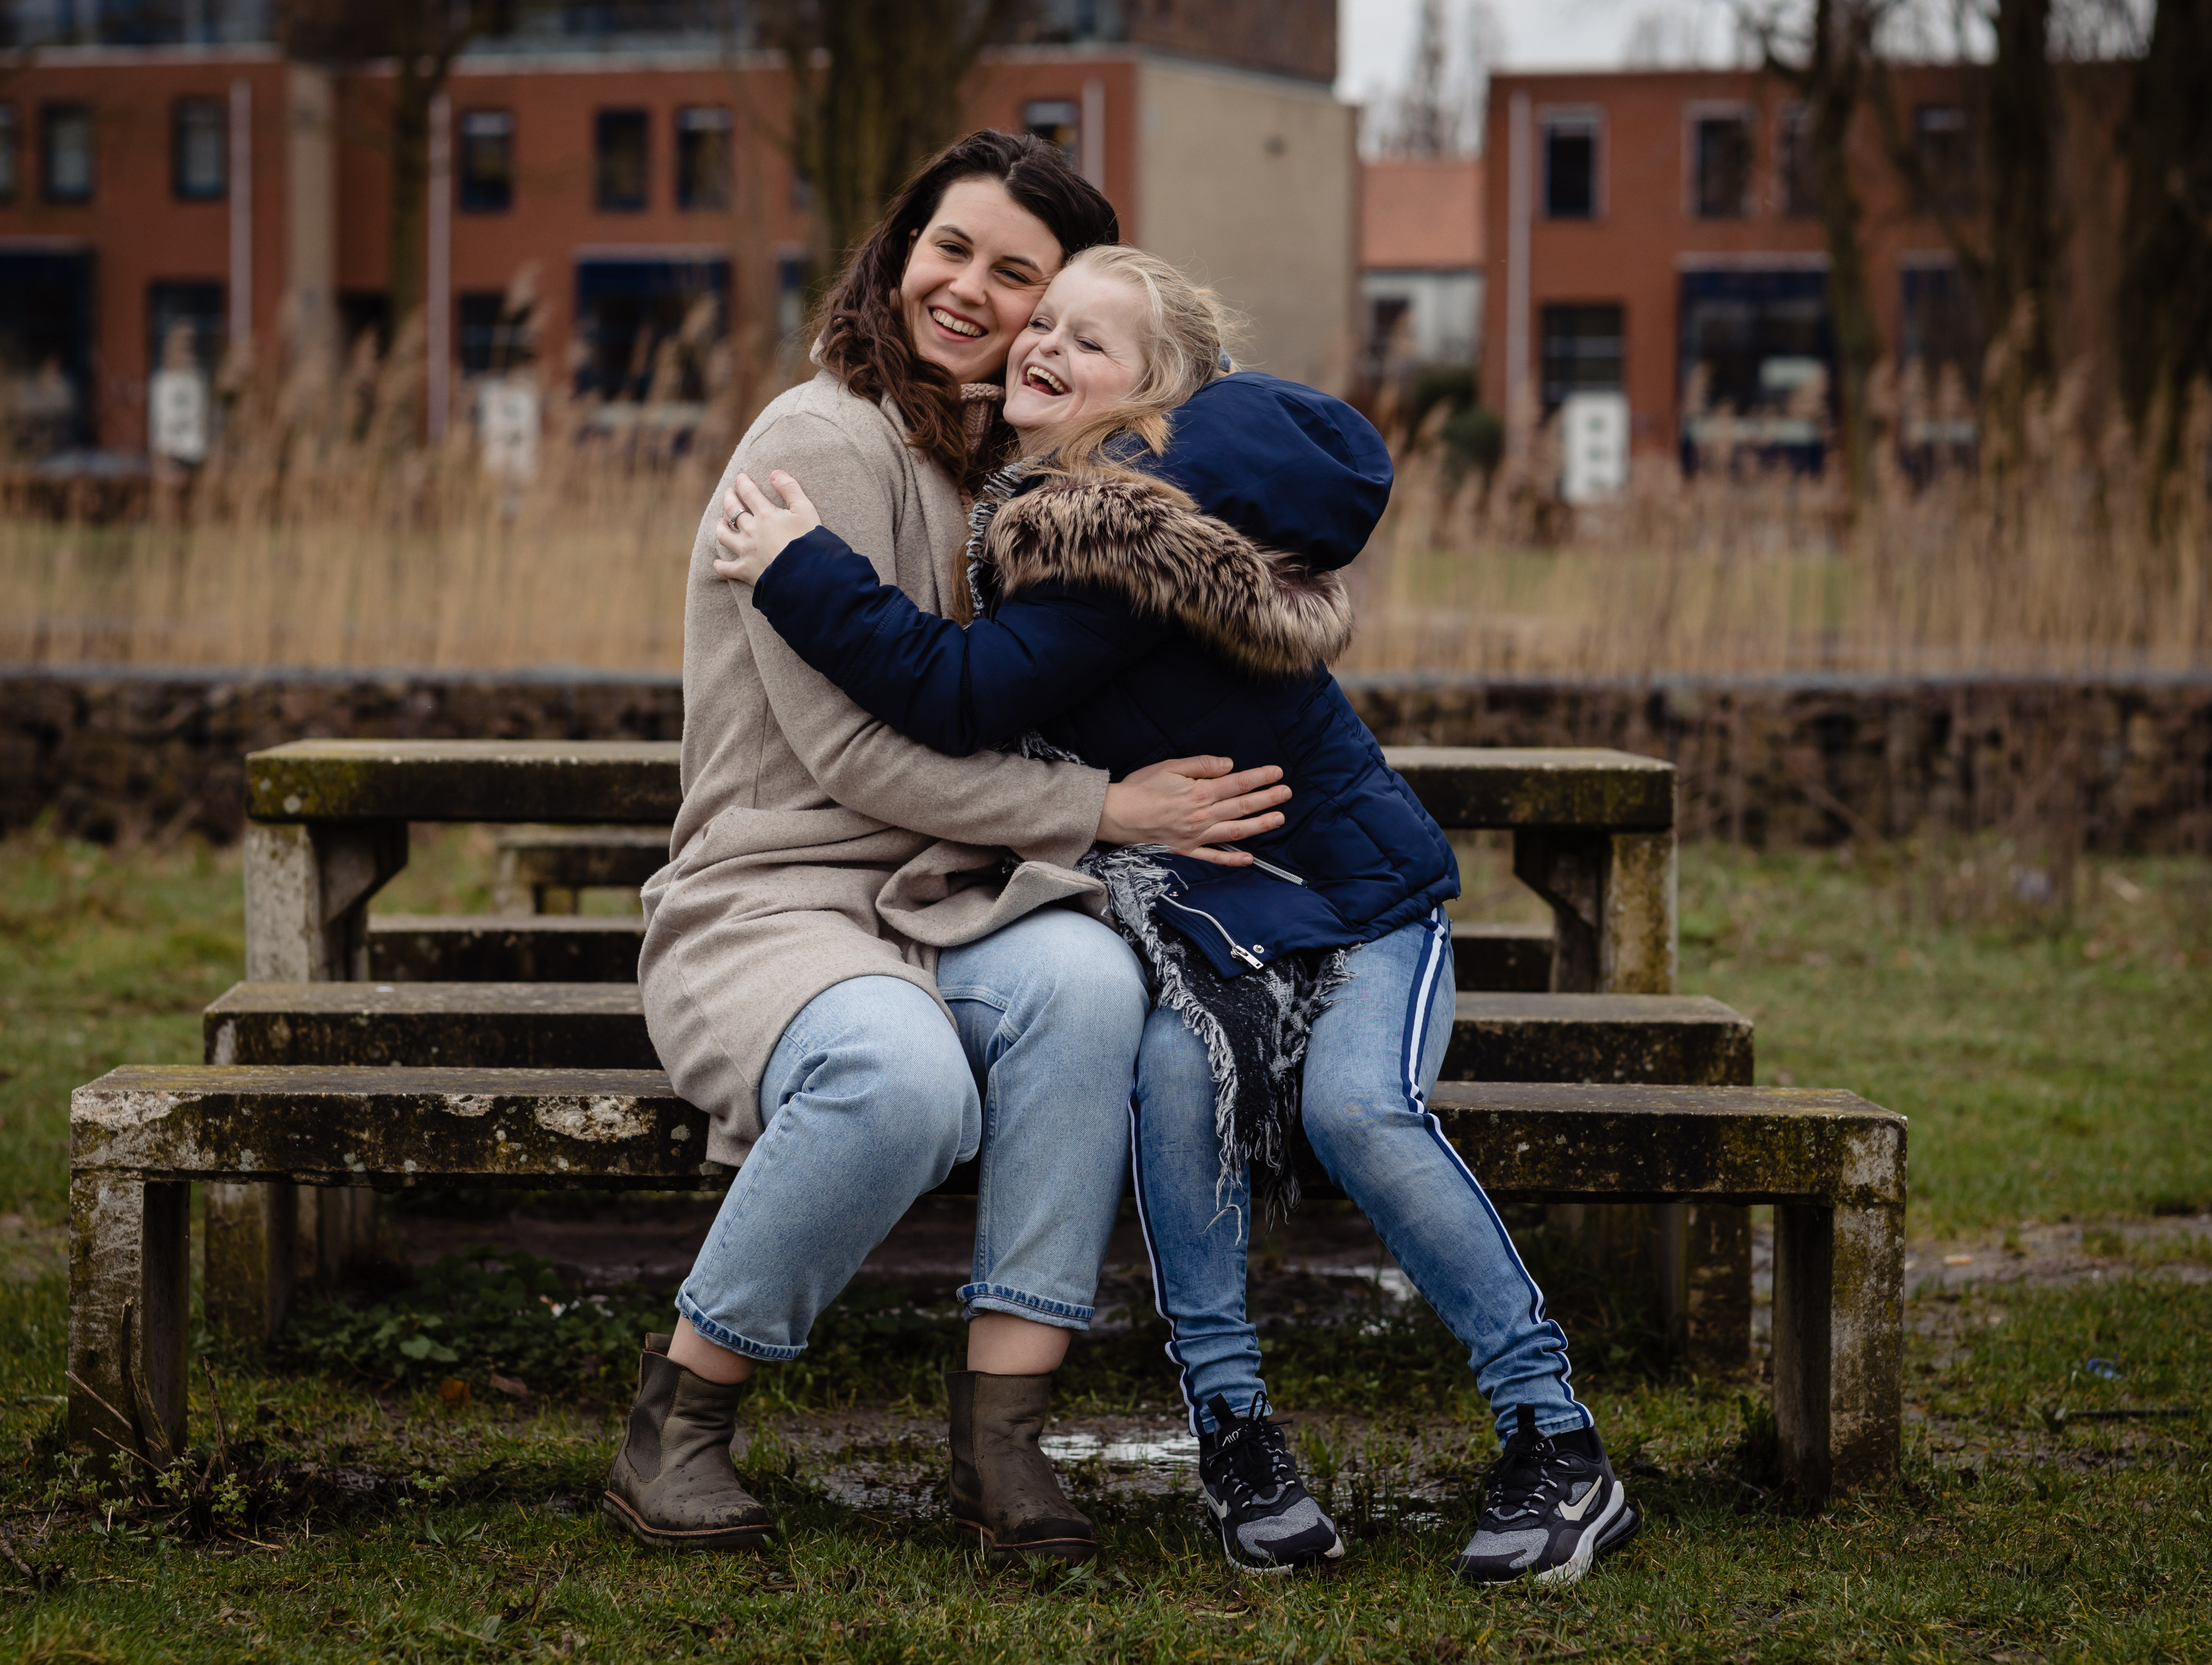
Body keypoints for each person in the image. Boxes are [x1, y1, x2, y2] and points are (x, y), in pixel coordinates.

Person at [708, 245, 1642, 1587]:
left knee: (1356, 1109)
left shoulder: (1118, 540)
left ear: (1150, 409)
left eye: (1091, 343)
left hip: (1366, 911)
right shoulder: (1059, 508)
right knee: (1169, 1071)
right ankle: (1240, 1434)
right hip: (1217, 945)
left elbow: (957, 693)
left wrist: (800, 565)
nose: (1042, 343)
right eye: (1047, 321)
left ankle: (1558, 1439)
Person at [610, 136, 1293, 1568]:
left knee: (1092, 986)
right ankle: (683, 1413)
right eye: (951, 249)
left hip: (947, 894)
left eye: (1021, 277)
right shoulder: (819, 442)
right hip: (774, 901)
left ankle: (1004, 1437)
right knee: (898, 1074)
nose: (974, 293)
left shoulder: (1018, 462)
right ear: (898, 247)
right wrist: (1107, 813)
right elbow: (852, 755)